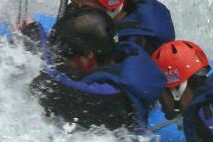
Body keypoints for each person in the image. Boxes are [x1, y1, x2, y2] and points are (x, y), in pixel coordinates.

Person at [25, 7, 166, 132]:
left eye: (64, 57)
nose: (61, 63)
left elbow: (45, 86)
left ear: (88, 56)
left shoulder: (110, 98)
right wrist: (35, 31)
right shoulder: (126, 53)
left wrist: (32, 38)